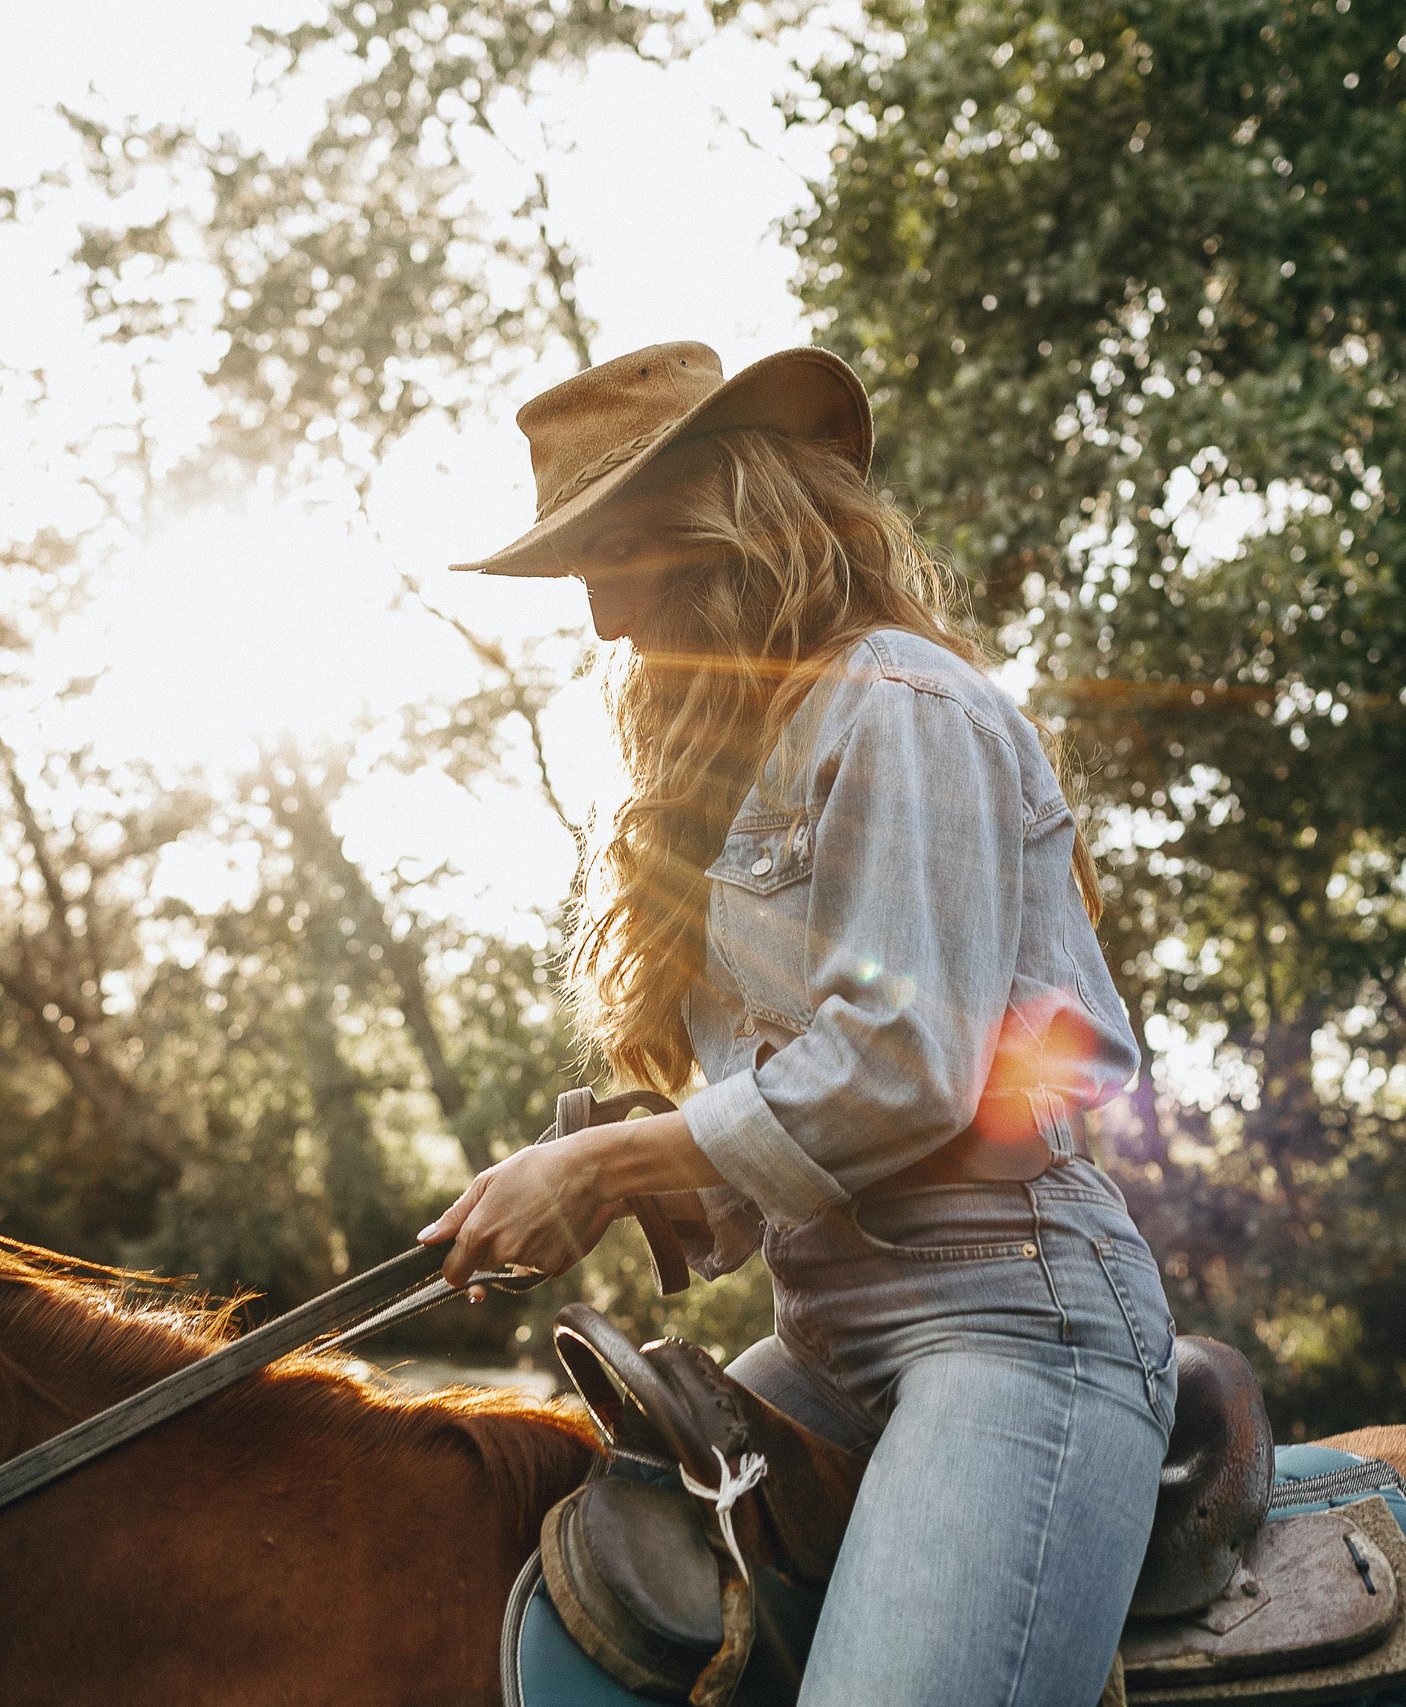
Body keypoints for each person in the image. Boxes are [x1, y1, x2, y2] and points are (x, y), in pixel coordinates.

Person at [419, 341, 1177, 1705]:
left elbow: (901, 1073)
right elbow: (801, 1122)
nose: (599, 626)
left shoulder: (897, 705)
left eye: (609, 565)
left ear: (723, 525)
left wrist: (598, 1168)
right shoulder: (759, 754)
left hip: (1010, 1320)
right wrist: (641, 1166)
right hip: (832, 1331)